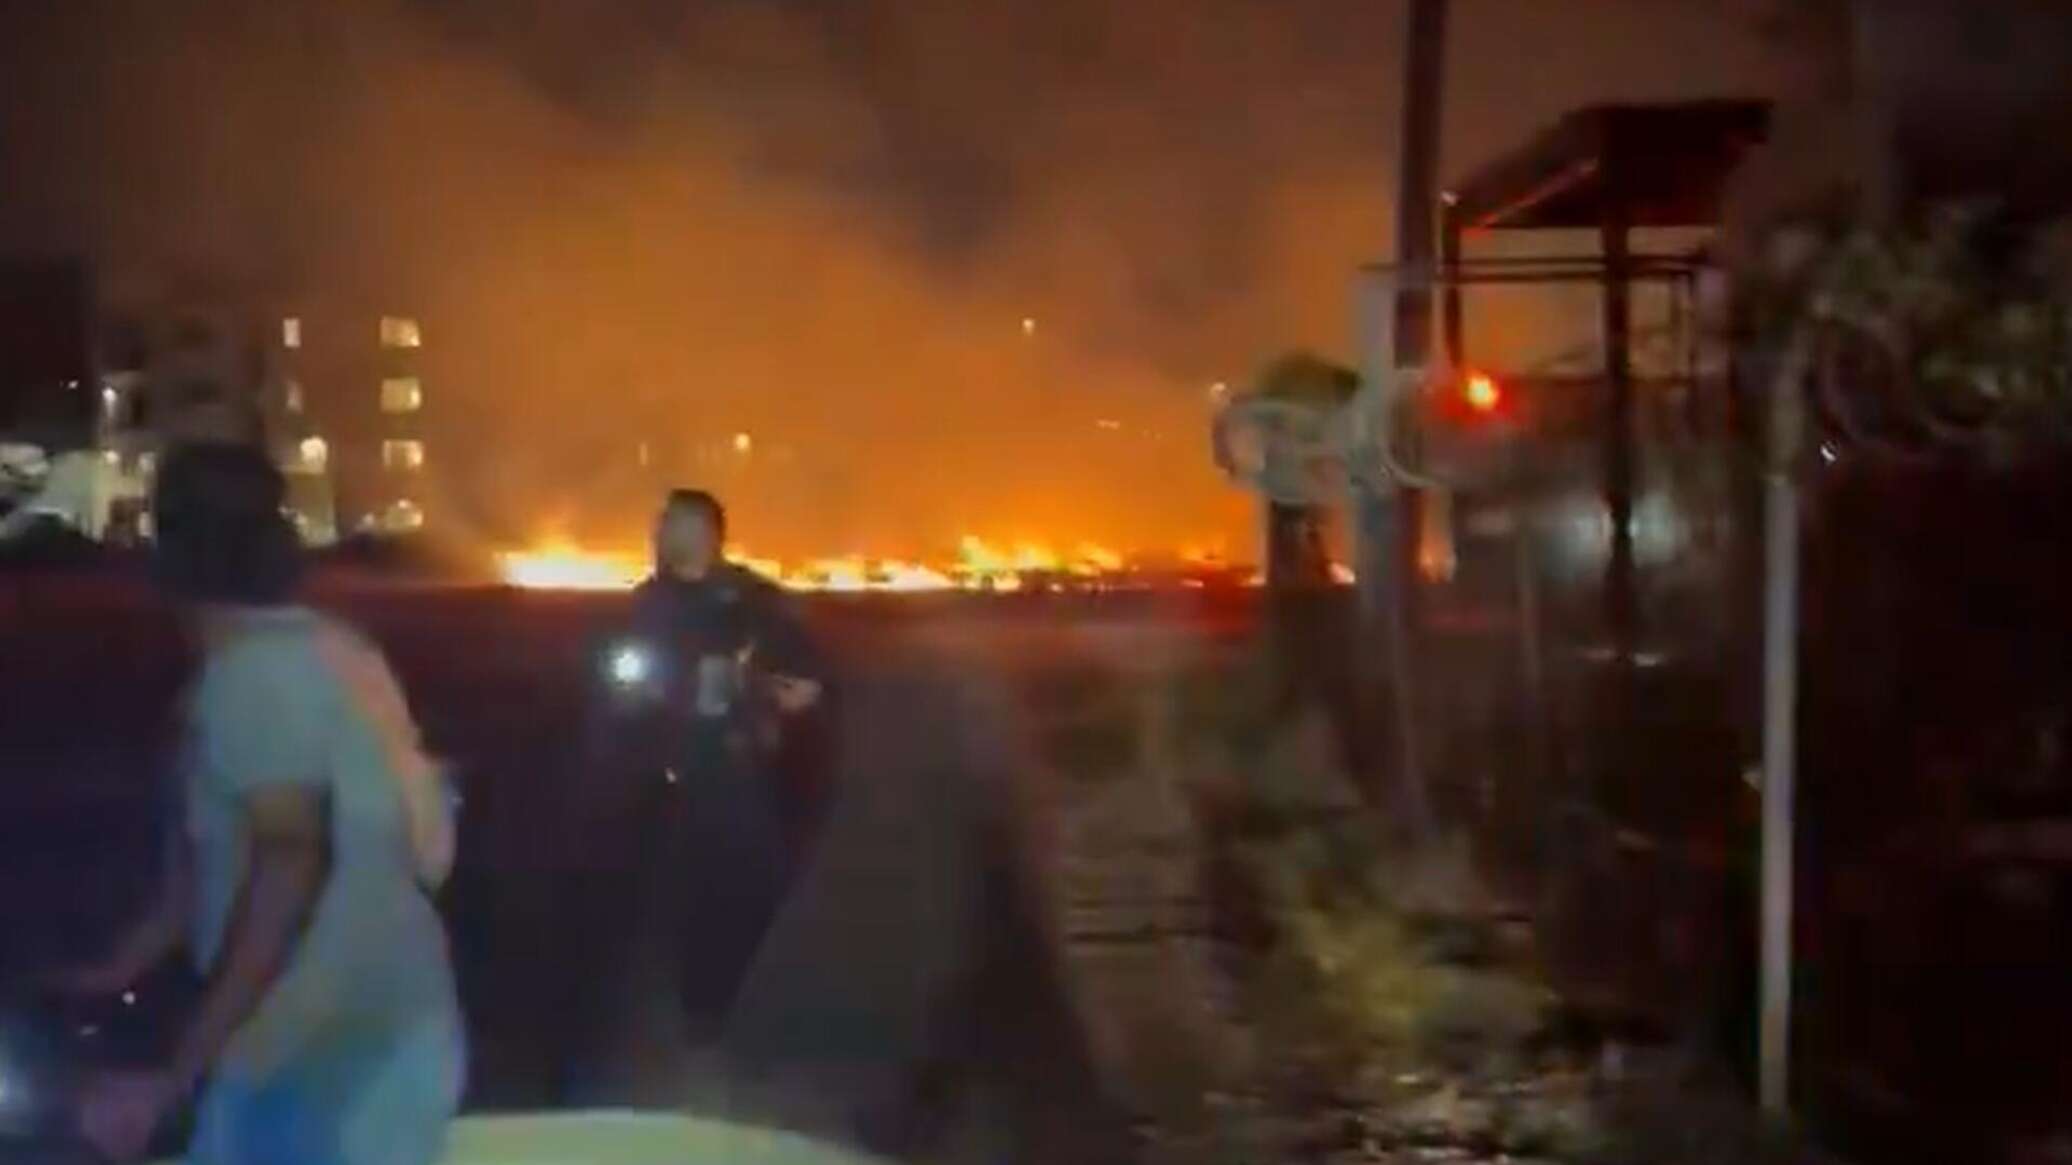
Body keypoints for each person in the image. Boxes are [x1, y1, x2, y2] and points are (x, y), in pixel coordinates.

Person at [56, 442, 463, 1164]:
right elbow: (220, 849)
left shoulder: (252, 679)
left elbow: (289, 861)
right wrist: (122, 966)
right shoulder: (332, 649)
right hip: (379, 1028)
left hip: (322, 1053)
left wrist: (175, 1074)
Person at [565, 488, 824, 1102]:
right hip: (656, 774)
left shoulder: (753, 602)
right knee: (661, 899)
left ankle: (733, 1016)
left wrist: (775, 694)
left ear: (710, 534)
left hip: (737, 771)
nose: (663, 536)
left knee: (747, 891)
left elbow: (807, 679)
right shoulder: (642, 606)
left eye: (677, 525)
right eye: (662, 525)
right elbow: (612, 686)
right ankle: (674, 1021)